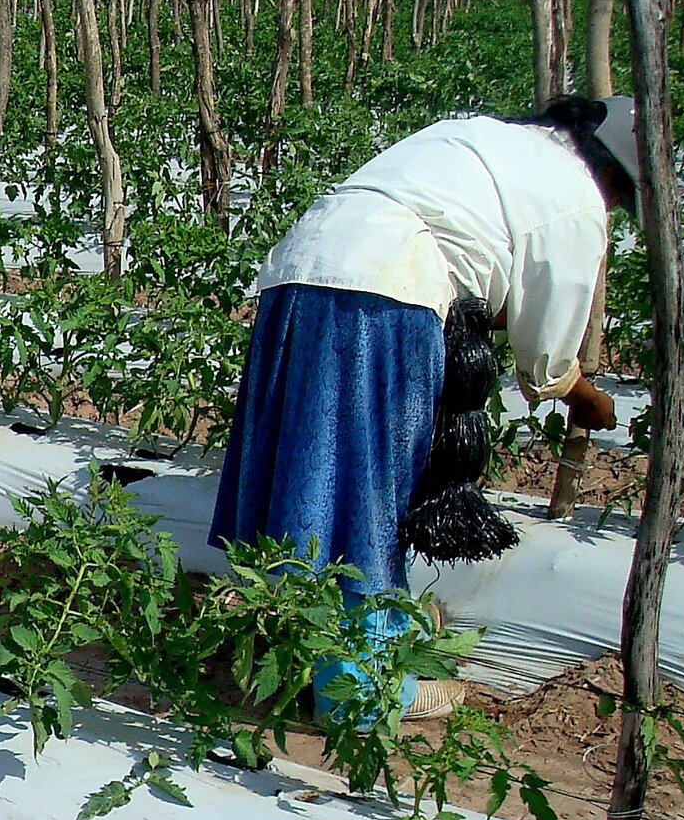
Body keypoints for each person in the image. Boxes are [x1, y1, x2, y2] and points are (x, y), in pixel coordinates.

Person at [210, 94, 638, 720]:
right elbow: (545, 358)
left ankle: (304, 648)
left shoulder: (480, 137)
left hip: (299, 272)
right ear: (618, 180)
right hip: (385, 295)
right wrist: (589, 399)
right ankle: (365, 694)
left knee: (310, 480)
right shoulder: (575, 202)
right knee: (371, 499)